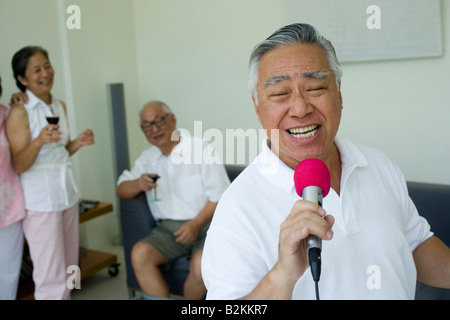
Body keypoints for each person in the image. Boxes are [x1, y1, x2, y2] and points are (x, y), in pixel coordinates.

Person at [201, 23, 450, 300]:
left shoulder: (378, 165)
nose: (300, 109)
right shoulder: (237, 208)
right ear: (258, 108)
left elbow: (416, 245)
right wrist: (282, 274)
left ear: (339, 93)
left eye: (316, 87)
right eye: (280, 94)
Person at [116, 101, 230, 299]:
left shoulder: (200, 149)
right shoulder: (147, 158)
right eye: (147, 126)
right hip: (168, 230)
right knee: (140, 254)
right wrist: (138, 184)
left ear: (173, 119)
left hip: (206, 225)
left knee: (200, 263)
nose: (154, 129)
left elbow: (221, 196)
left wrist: (195, 225)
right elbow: (121, 189)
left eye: (159, 121)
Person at [6, 46, 94, 300]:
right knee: (49, 278)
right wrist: (37, 142)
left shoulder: (59, 105)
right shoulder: (20, 112)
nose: (45, 73)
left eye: (47, 65)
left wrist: (77, 142)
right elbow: (20, 164)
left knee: (69, 271)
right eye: (36, 70)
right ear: (22, 79)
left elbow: (60, 152)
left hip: (67, 197)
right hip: (41, 205)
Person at [0, 74, 26, 300]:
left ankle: (74, 288)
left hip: (9, 209)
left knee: (9, 276)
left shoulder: (10, 115)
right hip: (36, 205)